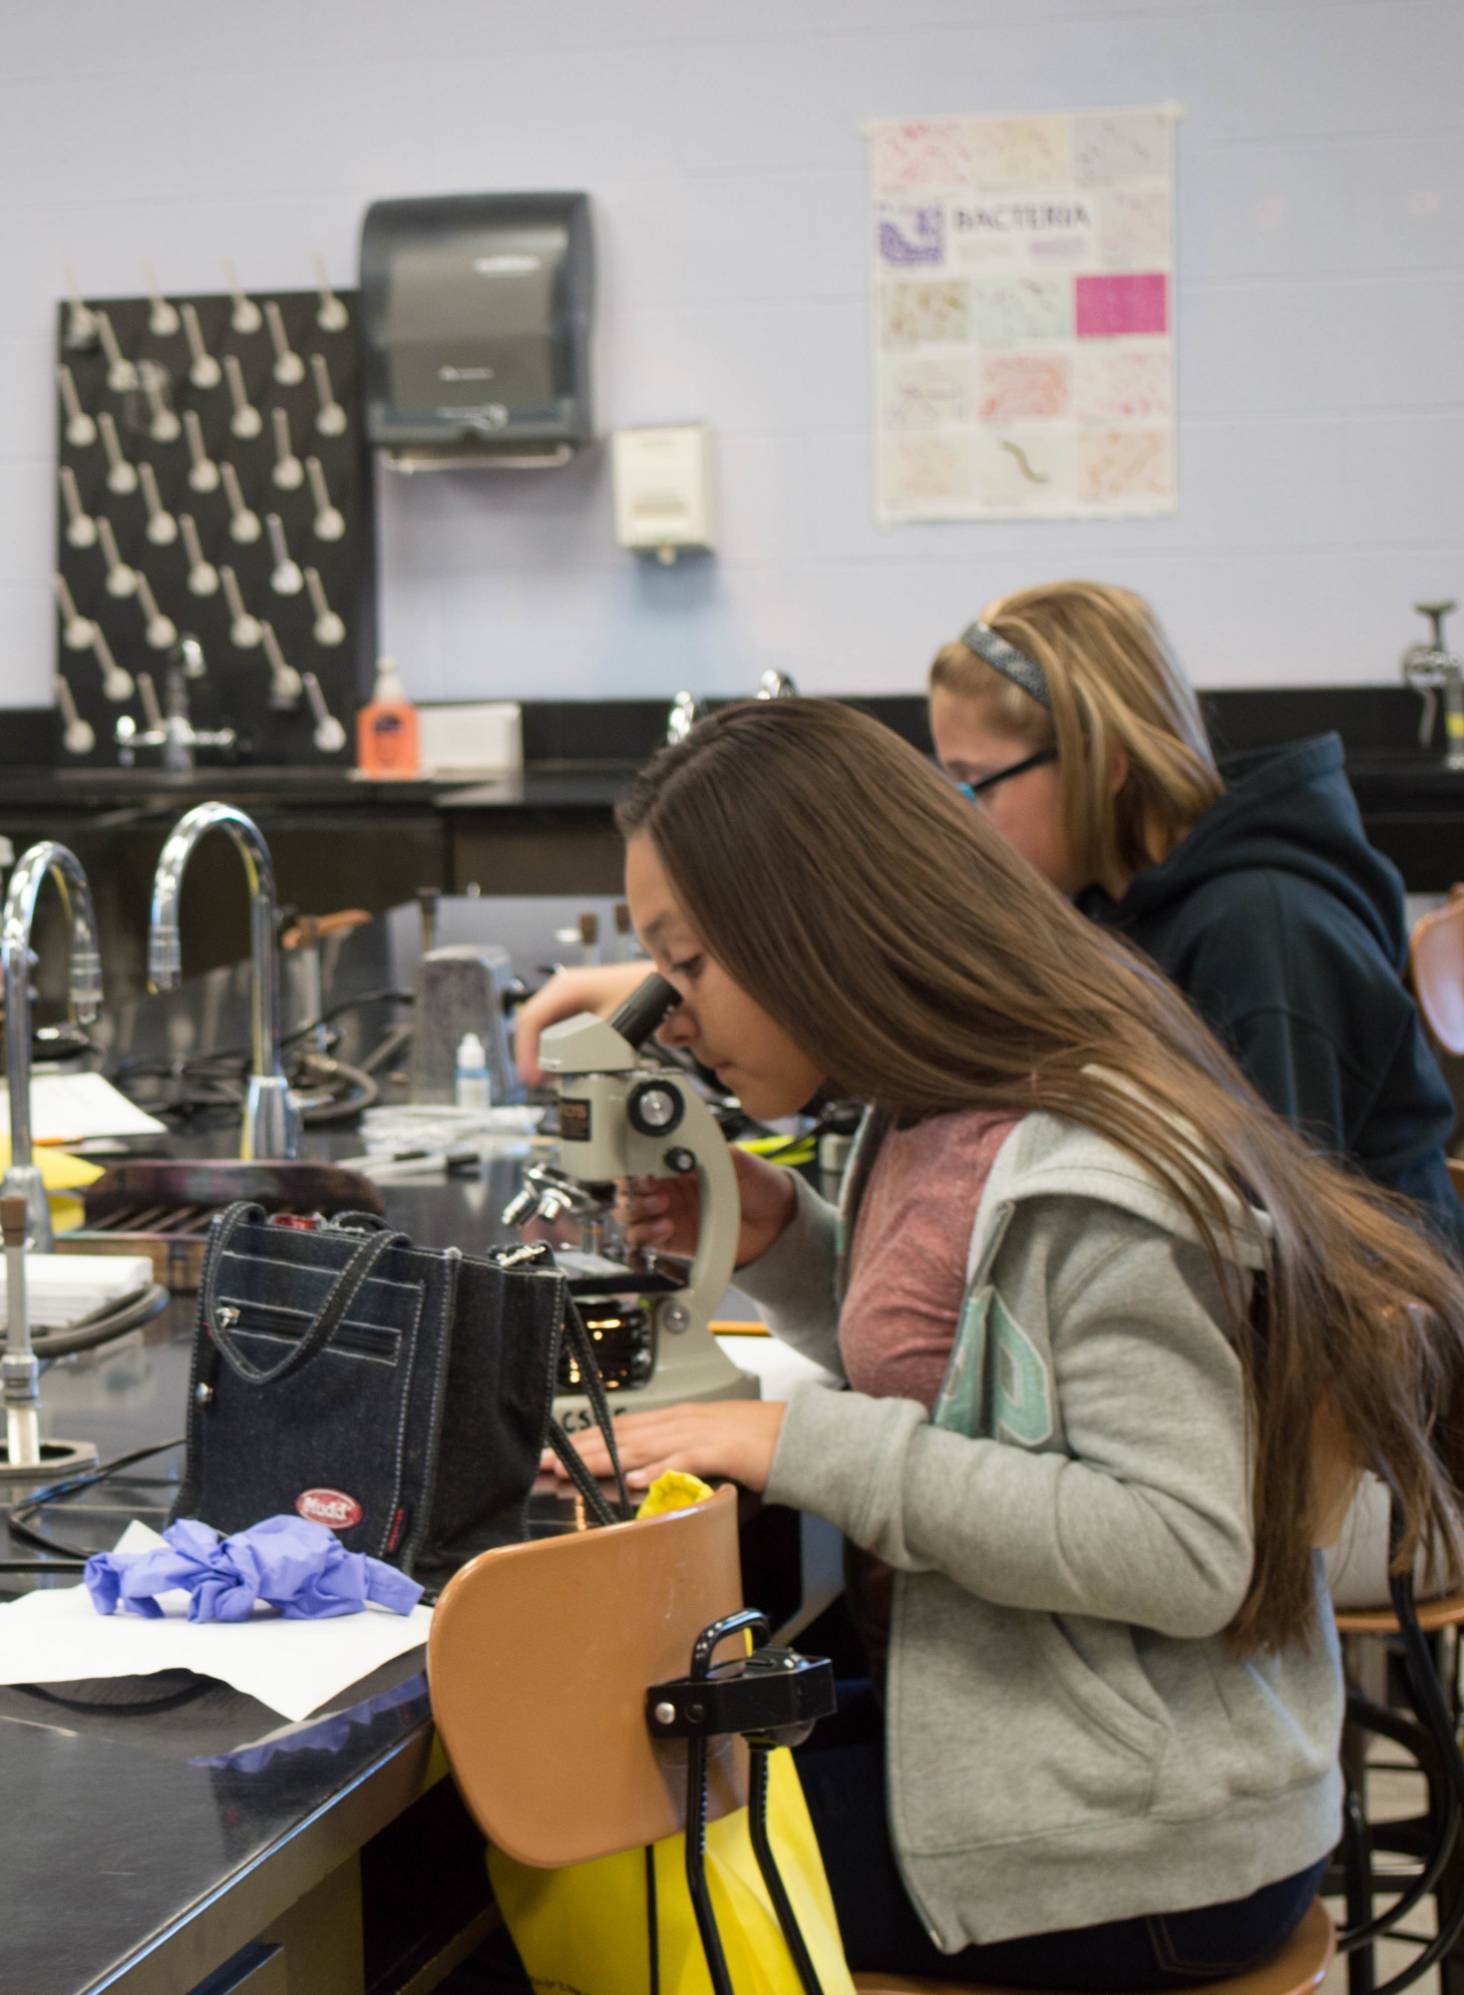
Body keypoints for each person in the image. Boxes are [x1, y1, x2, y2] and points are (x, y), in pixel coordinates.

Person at [554, 698, 1464, 1983]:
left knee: (564, 1867)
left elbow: (1182, 1546)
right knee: (600, 1769)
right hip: (1033, 1736)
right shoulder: (937, 1110)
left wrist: (785, 1439)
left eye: (688, 965)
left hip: (1142, 1842)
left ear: (812, 936)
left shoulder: (1093, 1163)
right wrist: (784, 1241)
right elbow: (968, 1374)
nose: (671, 1015)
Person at [516, 580, 1463, 1247]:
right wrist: (703, 970)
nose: (953, 816)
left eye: (974, 782)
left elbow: (1280, 1251)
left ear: (1104, 762)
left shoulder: (1267, 930)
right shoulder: (1123, 905)